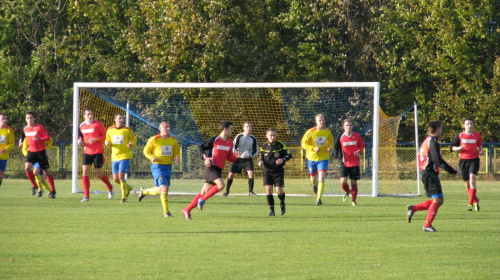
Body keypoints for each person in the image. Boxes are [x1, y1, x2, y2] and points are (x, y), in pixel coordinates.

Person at [407, 120, 460, 232]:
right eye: (440, 128)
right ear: (437, 130)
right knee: (438, 200)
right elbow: (437, 160)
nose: (441, 130)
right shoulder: (433, 142)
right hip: (429, 173)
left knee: (438, 199)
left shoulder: (427, 140)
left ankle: (413, 209)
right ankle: (427, 225)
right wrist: (452, 170)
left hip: (426, 172)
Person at [182, 121, 239, 220]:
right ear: (225, 129)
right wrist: (205, 158)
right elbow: (201, 147)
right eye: (230, 129)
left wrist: (236, 157)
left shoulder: (230, 142)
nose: (232, 131)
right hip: (211, 167)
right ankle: (202, 200)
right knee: (221, 185)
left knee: (204, 192)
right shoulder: (214, 140)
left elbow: (229, 157)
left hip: (219, 169)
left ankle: (187, 210)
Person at [139, 121, 180, 217]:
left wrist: (176, 157)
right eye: (165, 127)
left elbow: (176, 152)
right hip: (158, 166)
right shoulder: (154, 139)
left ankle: (144, 191)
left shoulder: (173, 140)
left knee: (162, 190)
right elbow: (146, 151)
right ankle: (166, 212)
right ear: (160, 129)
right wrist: (152, 157)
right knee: (164, 188)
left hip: (168, 167)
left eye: (169, 127)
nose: (168, 128)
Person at [78, 108, 114, 202]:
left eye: (91, 114)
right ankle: (86, 196)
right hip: (87, 152)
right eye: (88, 114)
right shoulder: (81, 125)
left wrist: (95, 139)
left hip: (98, 151)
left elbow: (105, 136)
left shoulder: (98, 124)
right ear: (84, 116)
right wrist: (80, 141)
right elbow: (80, 136)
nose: (90, 115)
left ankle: (110, 187)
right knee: (85, 173)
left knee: (99, 174)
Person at [450, 119, 484, 211]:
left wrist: (481, 151)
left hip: (474, 160)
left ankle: (470, 204)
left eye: (471, 124)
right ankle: (475, 200)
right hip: (463, 161)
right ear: (463, 126)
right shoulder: (460, 135)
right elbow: (452, 147)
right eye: (467, 124)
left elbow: (480, 147)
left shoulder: (477, 135)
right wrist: (459, 148)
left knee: (472, 181)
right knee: (467, 185)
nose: (469, 125)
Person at [301, 114, 334, 206]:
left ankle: (319, 199)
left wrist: (329, 147)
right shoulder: (310, 132)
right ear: (316, 121)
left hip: (323, 158)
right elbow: (303, 144)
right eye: (320, 120)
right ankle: (314, 185)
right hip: (311, 158)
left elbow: (331, 142)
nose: (322, 122)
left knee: (322, 178)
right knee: (313, 178)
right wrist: (313, 148)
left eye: (323, 120)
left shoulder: (327, 132)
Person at [258, 127, 292, 216]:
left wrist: (282, 159)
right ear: (266, 136)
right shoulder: (264, 146)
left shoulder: (280, 145)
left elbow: (289, 154)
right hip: (267, 171)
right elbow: (261, 157)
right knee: (269, 190)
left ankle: (282, 202)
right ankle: (272, 211)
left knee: (279, 191)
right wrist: (260, 161)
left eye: (274, 135)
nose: (273, 137)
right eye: (271, 135)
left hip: (278, 171)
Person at [105, 113, 137, 203]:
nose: (121, 120)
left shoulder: (127, 130)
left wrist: (131, 144)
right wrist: (107, 143)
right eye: (119, 118)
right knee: (115, 179)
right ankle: (128, 187)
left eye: (122, 118)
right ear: (115, 120)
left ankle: (123, 197)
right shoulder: (110, 130)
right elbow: (107, 140)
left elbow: (134, 140)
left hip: (125, 156)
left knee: (121, 176)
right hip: (114, 156)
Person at [23, 112, 57, 198]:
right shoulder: (25, 129)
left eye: (31, 118)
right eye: (28, 118)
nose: (29, 120)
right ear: (26, 119)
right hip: (31, 152)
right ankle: (34, 186)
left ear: (34, 119)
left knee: (47, 172)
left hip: (40, 152)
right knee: (27, 168)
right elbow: (24, 139)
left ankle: (53, 190)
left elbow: (47, 138)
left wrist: (40, 139)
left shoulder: (39, 127)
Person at [334, 119, 365, 206]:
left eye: (350, 125)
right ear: (343, 127)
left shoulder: (357, 136)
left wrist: (359, 151)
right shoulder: (341, 136)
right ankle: (348, 192)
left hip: (355, 163)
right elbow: (336, 146)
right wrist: (336, 156)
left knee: (354, 183)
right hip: (344, 163)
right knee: (343, 182)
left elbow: (362, 145)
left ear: (352, 126)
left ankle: (353, 201)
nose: (349, 127)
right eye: (347, 125)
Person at [223, 121, 259, 196]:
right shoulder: (239, 136)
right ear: (244, 128)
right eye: (247, 126)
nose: (249, 128)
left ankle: (250, 191)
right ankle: (227, 191)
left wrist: (250, 155)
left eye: (250, 127)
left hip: (248, 159)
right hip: (238, 158)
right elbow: (234, 147)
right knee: (231, 174)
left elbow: (256, 150)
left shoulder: (253, 138)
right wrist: (237, 154)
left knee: (251, 173)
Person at [0, 113, 15, 188]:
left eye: (5, 118)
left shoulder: (9, 130)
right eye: (3, 118)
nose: (4, 120)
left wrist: (5, 149)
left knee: (0, 173)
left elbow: (12, 143)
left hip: (3, 156)